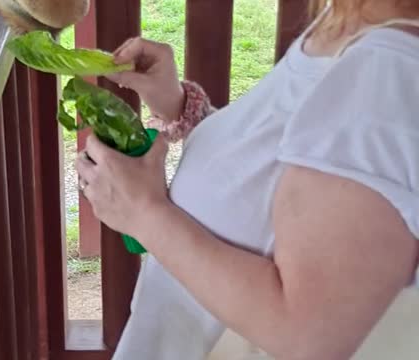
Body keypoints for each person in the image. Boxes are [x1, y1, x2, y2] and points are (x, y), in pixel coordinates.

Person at [75, 1, 419, 359]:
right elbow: (280, 177)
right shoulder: (351, 20)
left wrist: (144, 213)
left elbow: (303, 335)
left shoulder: (387, 72)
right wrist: (178, 105)